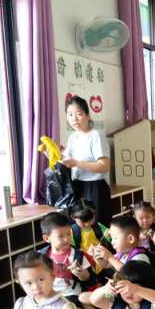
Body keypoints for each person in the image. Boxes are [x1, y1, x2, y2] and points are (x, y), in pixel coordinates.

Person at [61, 96, 111, 225]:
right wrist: (50, 154)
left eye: (79, 114)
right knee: (79, 227)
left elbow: (104, 166)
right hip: (77, 185)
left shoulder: (95, 136)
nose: (74, 119)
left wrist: (77, 163)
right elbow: (65, 160)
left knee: (97, 226)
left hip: (95, 188)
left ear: (88, 115)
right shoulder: (72, 137)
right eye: (70, 115)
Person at [39, 212, 93, 307]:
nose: (66, 239)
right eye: (60, 236)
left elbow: (90, 280)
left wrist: (84, 275)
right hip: (48, 294)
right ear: (47, 238)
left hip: (71, 294)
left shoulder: (77, 255)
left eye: (69, 234)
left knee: (66, 308)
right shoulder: (41, 256)